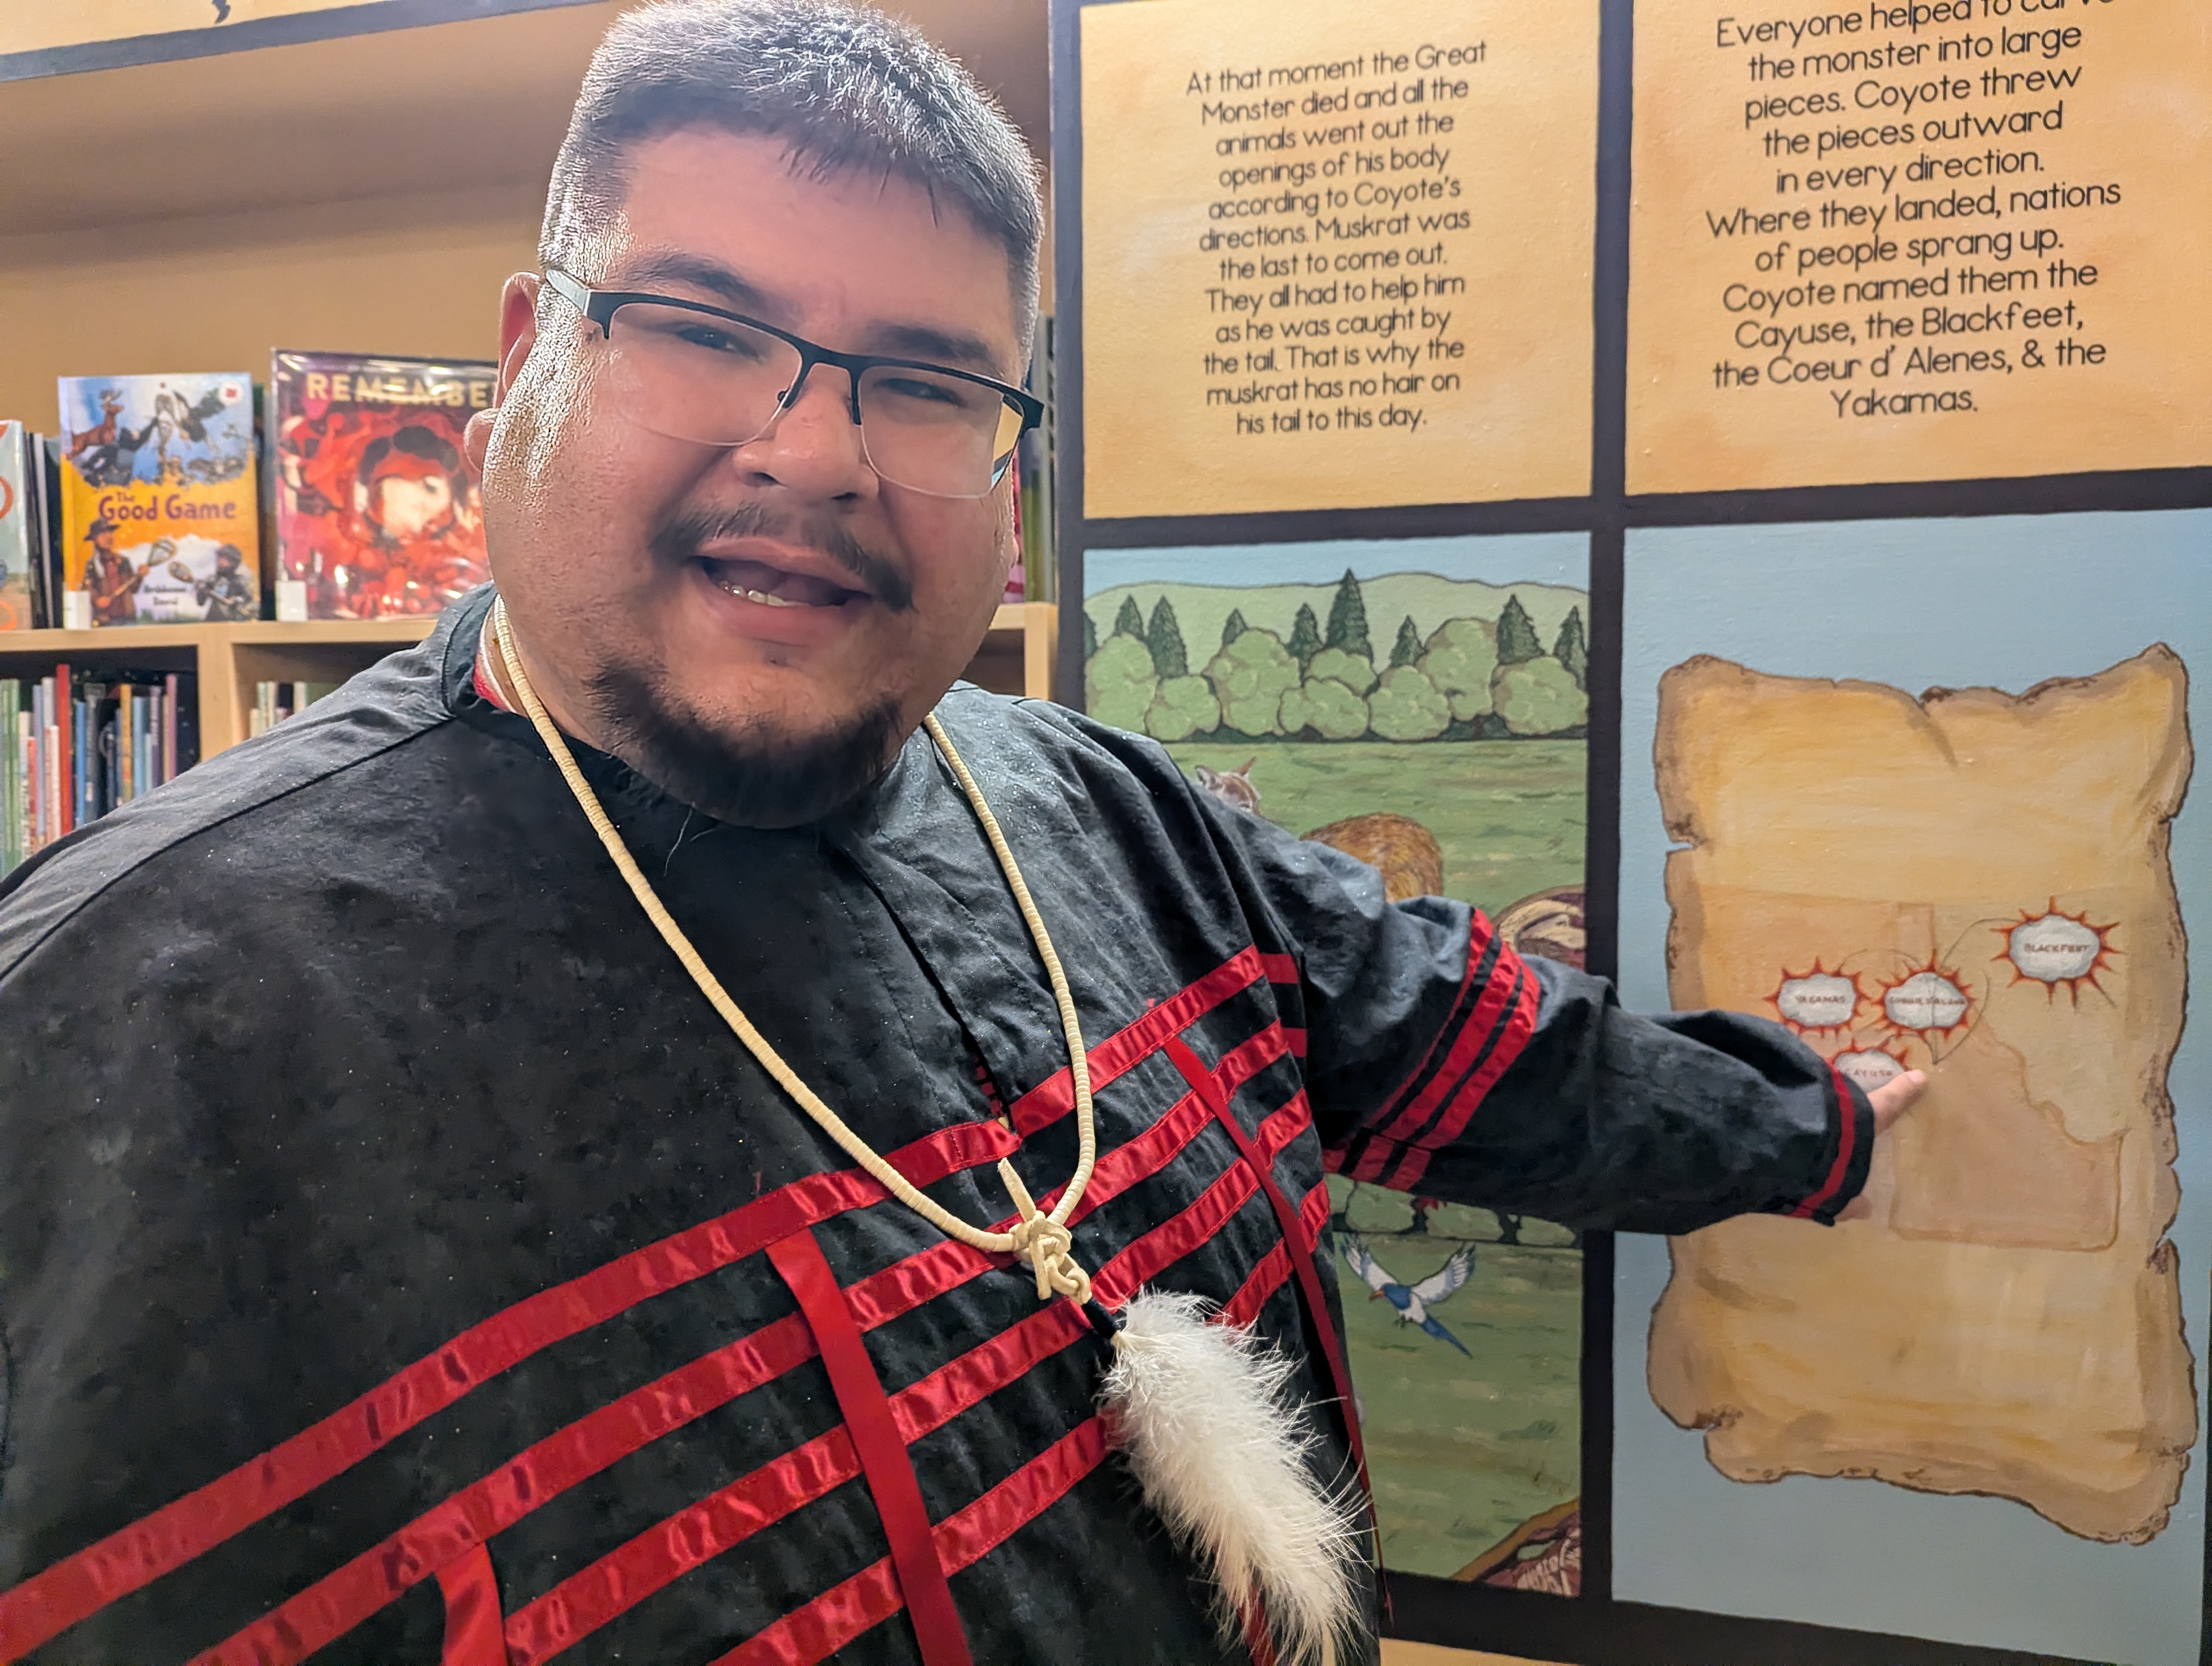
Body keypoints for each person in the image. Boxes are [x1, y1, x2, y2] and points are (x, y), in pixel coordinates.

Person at [0, 4, 1921, 1662]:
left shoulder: (1090, 799)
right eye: (699, 327)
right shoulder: (118, 1027)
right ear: (528, 355)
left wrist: (1808, 1124)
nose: (817, 449)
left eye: (925, 381)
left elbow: (1452, 1032)